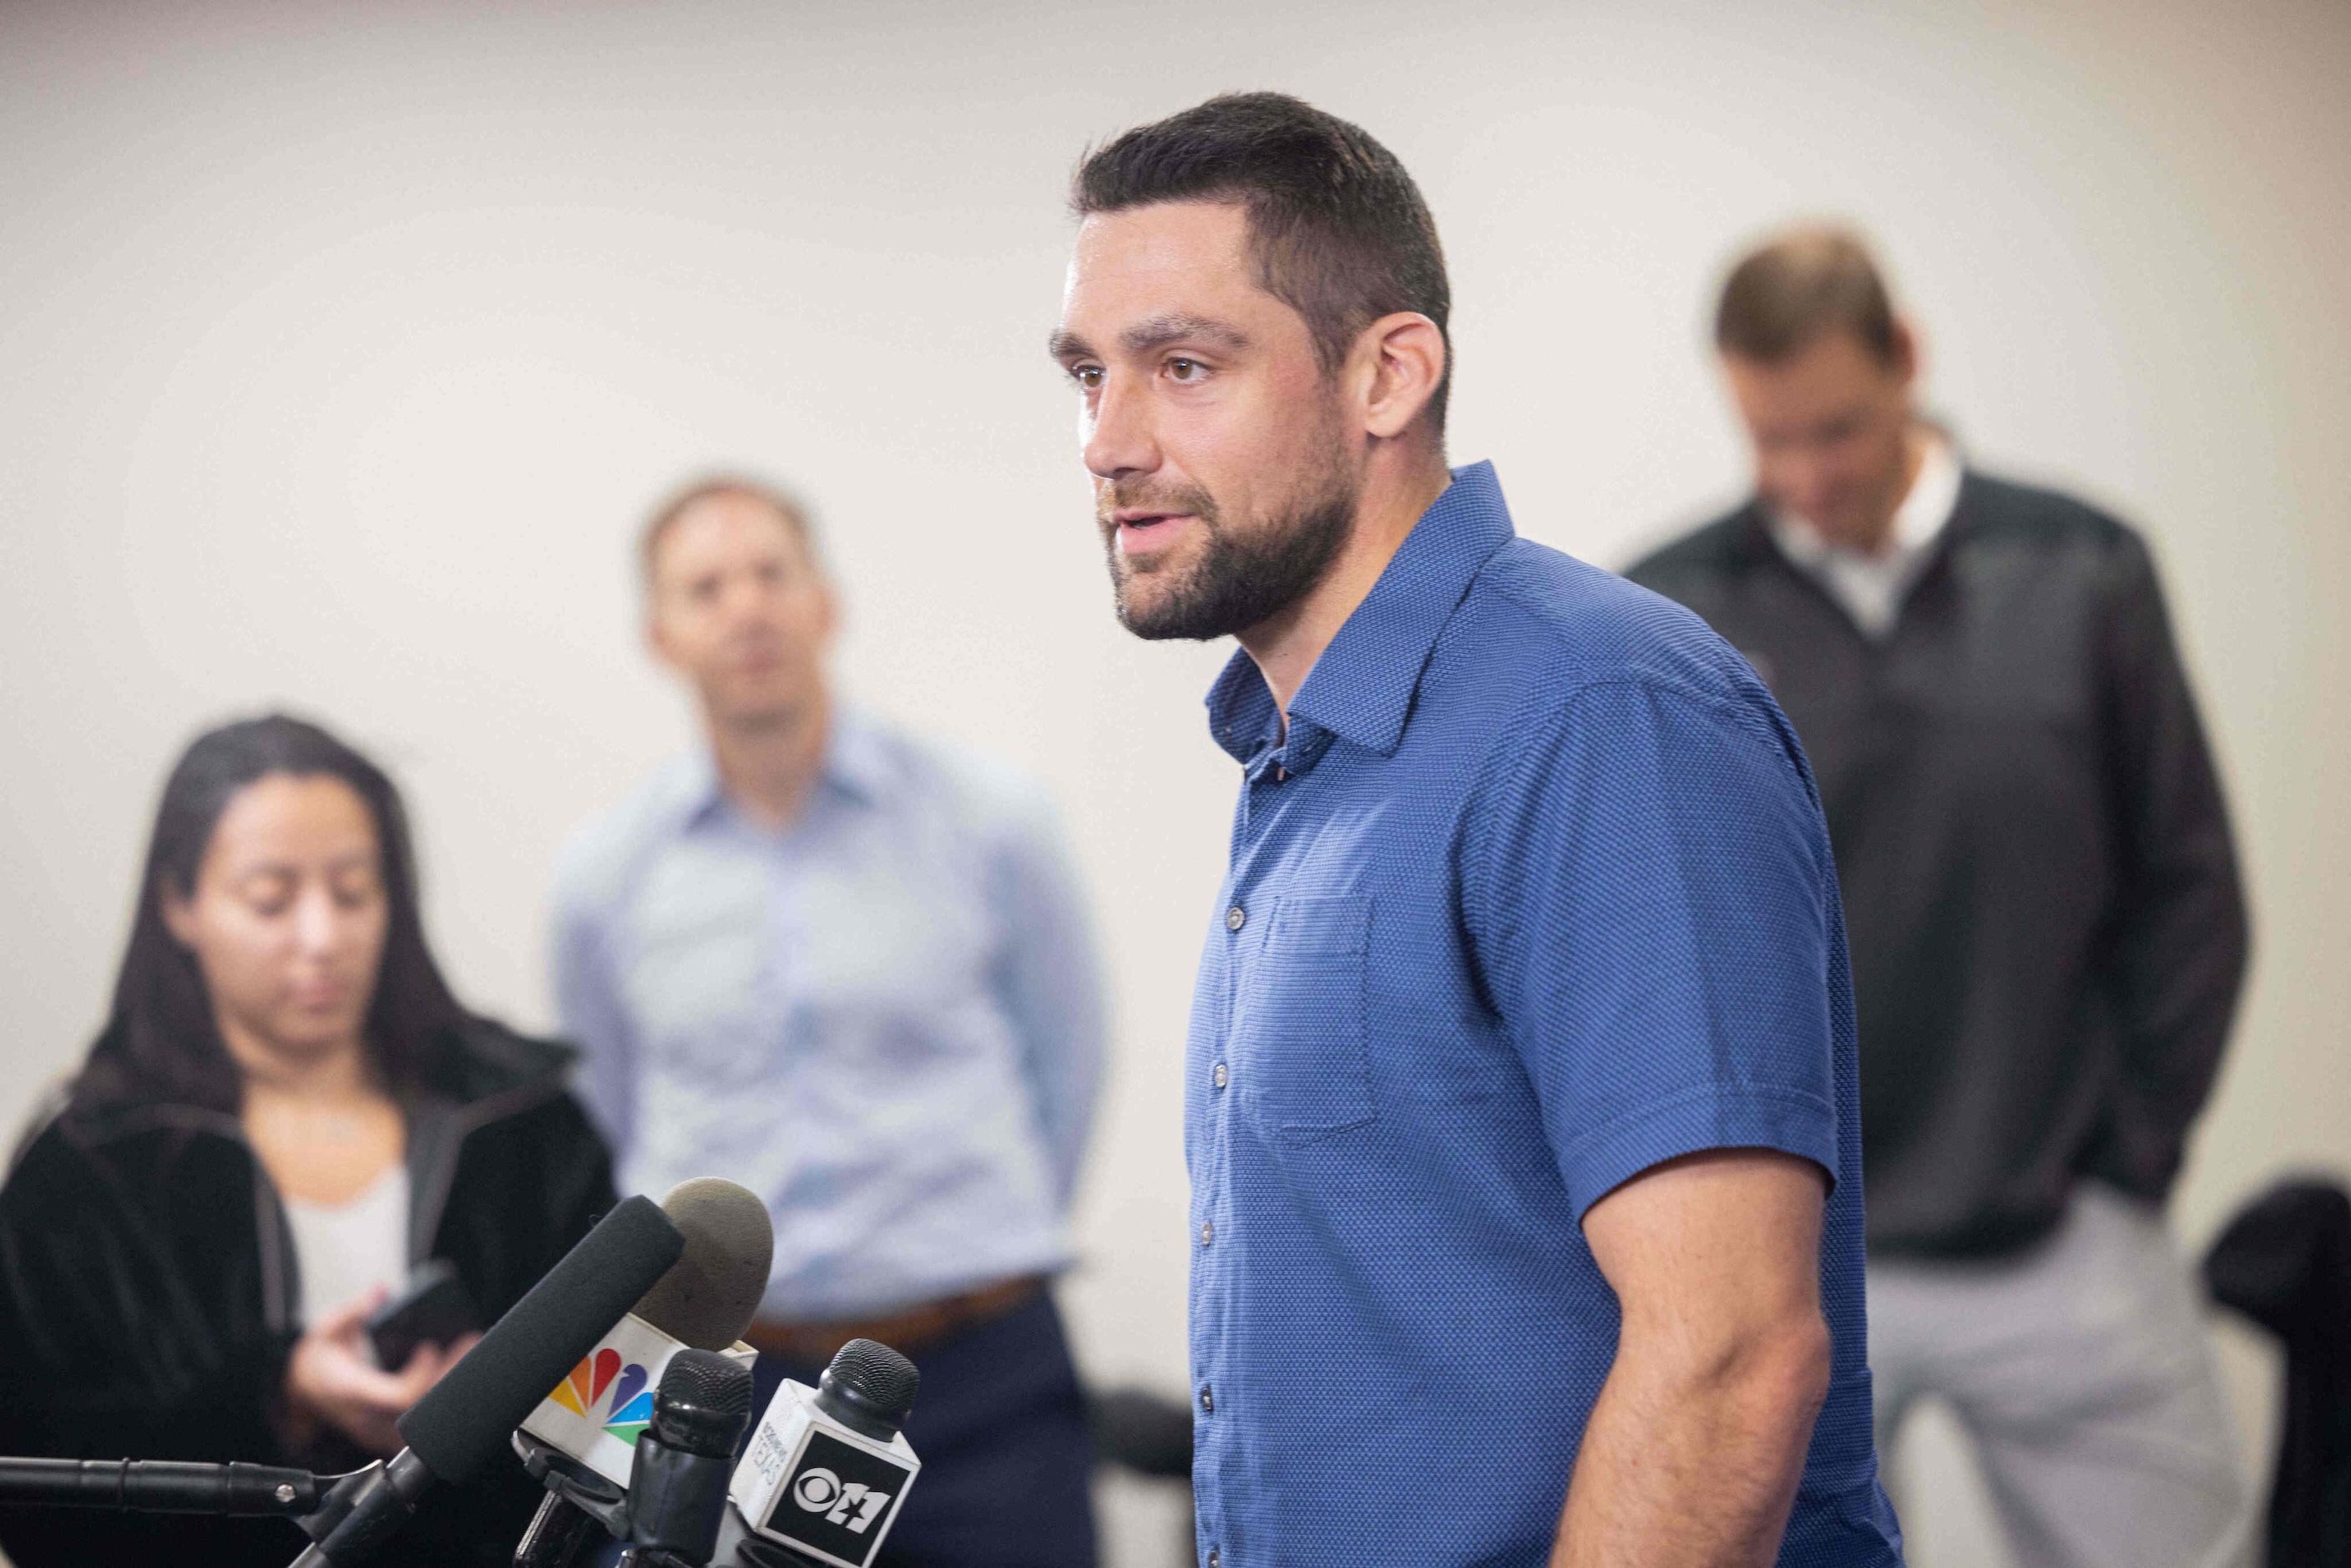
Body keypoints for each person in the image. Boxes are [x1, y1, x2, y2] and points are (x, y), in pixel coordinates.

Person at [1048, 94, 1899, 1567]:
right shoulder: (1307, 757)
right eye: (1086, 375)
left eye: (1182, 367)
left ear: (1387, 373)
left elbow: (1731, 1354)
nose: (1107, 442)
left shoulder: (1598, 713)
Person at [1626, 227, 2249, 1568]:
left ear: (1907, 361)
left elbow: (2190, 884)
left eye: (1839, 430)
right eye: (1771, 440)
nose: (1809, 478)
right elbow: (1641, 947)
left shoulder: (2085, 571)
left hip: (2064, 1244)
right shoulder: (1669, 618)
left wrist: (2126, 1161)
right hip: (1782, 1258)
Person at [552, 476, 1107, 1568]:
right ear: (661, 635)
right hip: (723, 1389)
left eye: (772, 572)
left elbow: (1069, 1066)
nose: (747, 606)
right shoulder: (606, 878)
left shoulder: (990, 822)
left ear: (826, 602)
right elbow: (611, 1107)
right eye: (706, 587)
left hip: (980, 1377)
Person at [0, 714, 617, 1567]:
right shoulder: (90, 1164)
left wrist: (499, 1404)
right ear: (180, 905)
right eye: (270, 898)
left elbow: (624, 1416)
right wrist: (280, 1398)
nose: (322, 938)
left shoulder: (526, 1124)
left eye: (354, 891)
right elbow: (36, 1494)